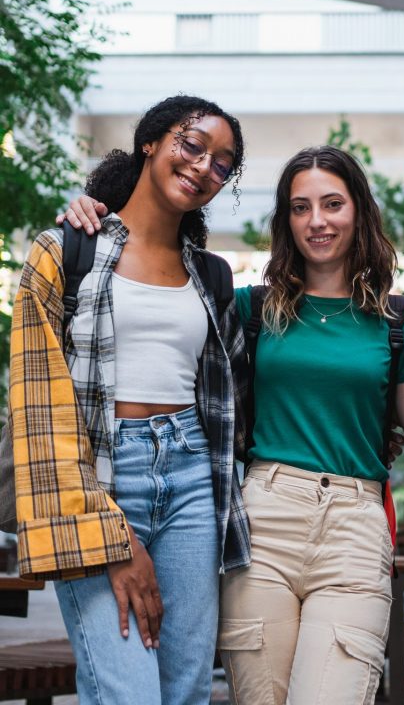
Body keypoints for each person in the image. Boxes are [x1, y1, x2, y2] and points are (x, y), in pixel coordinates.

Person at [63, 144, 404, 705]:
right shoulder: (249, 307)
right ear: (285, 221)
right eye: (300, 208)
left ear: (359, 212)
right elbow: (155, 311)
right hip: (263, 520)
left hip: (354, 525)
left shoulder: (396, 320)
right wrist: (94, 210)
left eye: (333, 204)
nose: (317, 221)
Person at [10, 95, 251, 705]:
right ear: (152, 141)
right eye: (191, 144)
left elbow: (236, 404)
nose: (202, 166)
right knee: (129, 694)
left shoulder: (212, 276)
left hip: (194, 478)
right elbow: (40, 413)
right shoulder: (66, 250)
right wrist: (111, 537)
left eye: (222, 164)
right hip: (96, 476)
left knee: (187, 688)